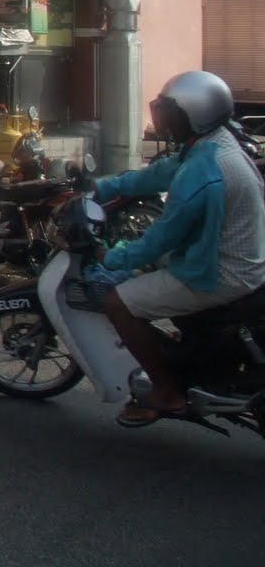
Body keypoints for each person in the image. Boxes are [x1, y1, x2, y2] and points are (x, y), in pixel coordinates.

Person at [94, 71, 265, 428]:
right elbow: (160, 173)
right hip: (237, 259)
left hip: (220, 274)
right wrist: (105, 187)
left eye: (169, 112)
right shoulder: (216, 143)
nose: (163, 120)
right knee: (154, 268)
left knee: (119, 302)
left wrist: (111, 256)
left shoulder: (203, 170)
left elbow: (161, 236)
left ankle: (165, 392)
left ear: (193, 113)